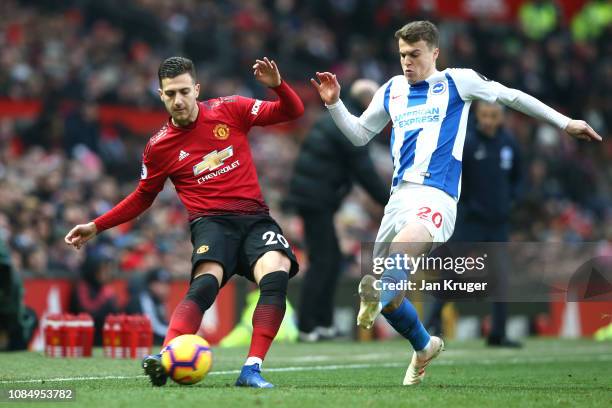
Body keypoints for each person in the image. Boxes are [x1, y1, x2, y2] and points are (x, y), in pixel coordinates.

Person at [310, 20, 601, 385]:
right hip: (398, 199)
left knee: (394, 269)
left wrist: (565, 122)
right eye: (402, 55)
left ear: (434, 53)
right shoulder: (392, 90)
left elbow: (511, 96)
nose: (407, 63)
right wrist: (335, 104)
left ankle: (385, 296)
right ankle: (423, 345)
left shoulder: (456, 82)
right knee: (388, 297)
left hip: (436, 197)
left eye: (415, 55)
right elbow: (359, 135)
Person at [65, 56, 304, 388]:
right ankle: (166, 359)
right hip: (211, 223)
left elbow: (292, 112)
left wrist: (278, 86)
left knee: (276, 274)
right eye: (169, 93)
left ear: (196, 89)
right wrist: (97, 225)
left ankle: (251, 369)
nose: (178, 100)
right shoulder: (158, 147)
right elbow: (142, 197)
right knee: (205, 284)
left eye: (183, 91)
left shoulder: (230, 109)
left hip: (254, 219)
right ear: (161, 96)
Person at [286, 79, 389, 342]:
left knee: (329, 259)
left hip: (313, 198)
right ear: (367, 100)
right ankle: (309, 326)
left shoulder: (336, 117)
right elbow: (364, 171)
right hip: (316, 199)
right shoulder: (350, 123)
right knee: (323, 261)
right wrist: (391, 201)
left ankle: (323, 323)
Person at [424, 101, 524, 348]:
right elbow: (455, 178)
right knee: (452, 271)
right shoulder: (467, 144)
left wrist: (512, 200)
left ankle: (497, 334)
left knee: (501, 276)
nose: (488, 120)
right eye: (484, 115)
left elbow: (519, 178)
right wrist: (465, 207)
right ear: (477, 116)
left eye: (493, 116)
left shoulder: (509, 144)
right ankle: (431, 323)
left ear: (500, 117)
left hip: (498, 223)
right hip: (470, 222)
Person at [70, 245, 119, 345]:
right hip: (84, 340)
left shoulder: (106, 289)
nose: (107, 273)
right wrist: (104, 297)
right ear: (93, 269)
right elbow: (86, 314)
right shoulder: (82, 287)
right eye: (103, 269)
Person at [126, 267, 172, 345]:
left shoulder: (160, 302)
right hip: (132, 344)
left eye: (166, 284)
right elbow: (155, 327)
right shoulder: (144, 299)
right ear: (150, 285)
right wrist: (178, 333)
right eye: (160, 284)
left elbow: (164, 324)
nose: (164, 288)